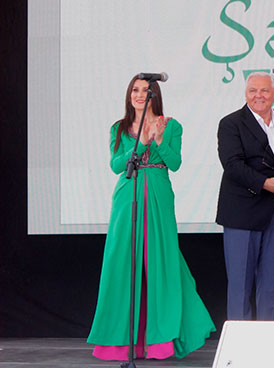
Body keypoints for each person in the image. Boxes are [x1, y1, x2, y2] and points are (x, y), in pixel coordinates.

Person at [88, 75, 215, 360]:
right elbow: (116, 165)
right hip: (127, 196)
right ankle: (123, 343)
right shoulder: (119, 128)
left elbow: (175, 163)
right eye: (135, 90)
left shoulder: (171, 125)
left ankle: (160, 341)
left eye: (145, 90)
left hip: (158, 192)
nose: (139, 95)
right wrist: (141, 142)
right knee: (124, 263)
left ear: (154, 95)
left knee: (161, 261)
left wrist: (157, 139)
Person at [216, 71, 274, 320]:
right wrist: (264, 183)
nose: (258, 95)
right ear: (246, 94)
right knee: (240, 284)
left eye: (264, 90)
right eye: (253, 91)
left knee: (270, 283)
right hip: (242, 213)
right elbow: (232, 165)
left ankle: (266, 337)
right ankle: (240, 340)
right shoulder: (231, 123)